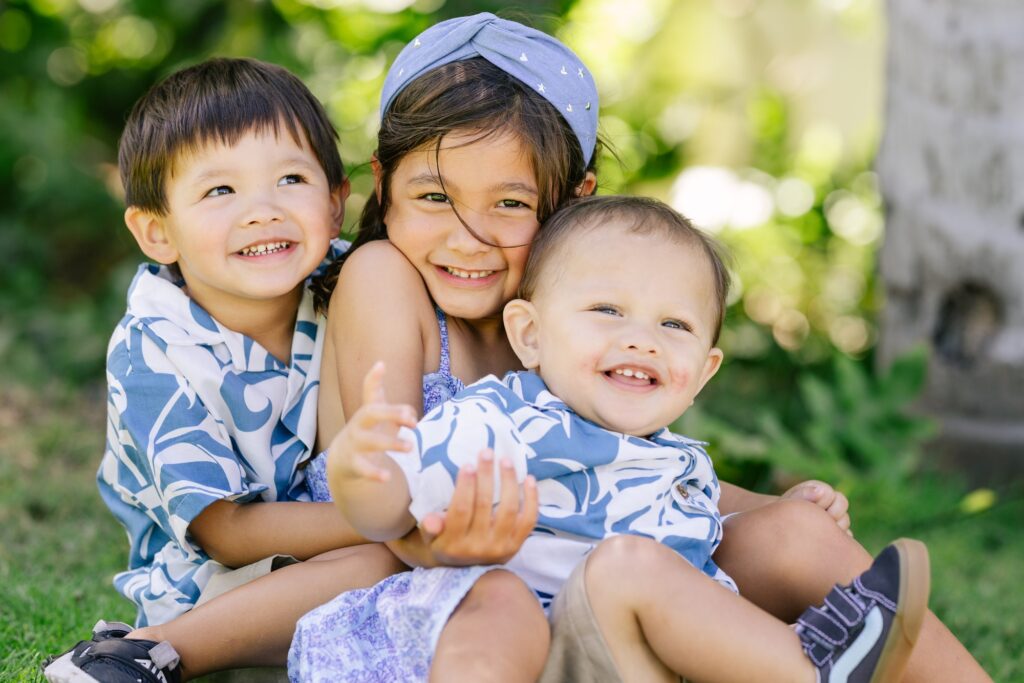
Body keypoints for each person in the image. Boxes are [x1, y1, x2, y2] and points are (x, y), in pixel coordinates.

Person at [298, 12, 992, 683]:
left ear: (570, 202)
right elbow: (386, 489)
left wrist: (775, 511)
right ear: (383, 186)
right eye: (434, 196)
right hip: (466, 607)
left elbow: (640, 474)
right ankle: (809, 667)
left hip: (598, 582)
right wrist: (443, 543)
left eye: (509, 204)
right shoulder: (385, 275)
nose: (468, 236)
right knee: (629, 568)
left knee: (797, 536)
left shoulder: (564, 321)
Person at [326, 194, 933, 683]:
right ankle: (814, 671)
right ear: (530, 334)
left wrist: (793, 504)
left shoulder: (678, 461)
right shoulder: (502, 419)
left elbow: (734, 542)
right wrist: (363, 468)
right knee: (628, 567)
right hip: (548, 651)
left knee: (655, 572)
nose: (643, 339)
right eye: (607, 311)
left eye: (674, 324)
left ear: (703, 371)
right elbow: (386, 514)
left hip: (656, 661)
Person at [42, 57, 414, 683]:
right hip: (218, 584)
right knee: (386, 564)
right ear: (158, 232)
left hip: (346, 542)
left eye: (291, 179)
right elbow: (227, 532)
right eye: (221, 191)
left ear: (334, 201)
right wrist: (393, 519)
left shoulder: (354, 281)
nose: (262, 210)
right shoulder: (156, 348)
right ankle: (151, 651)